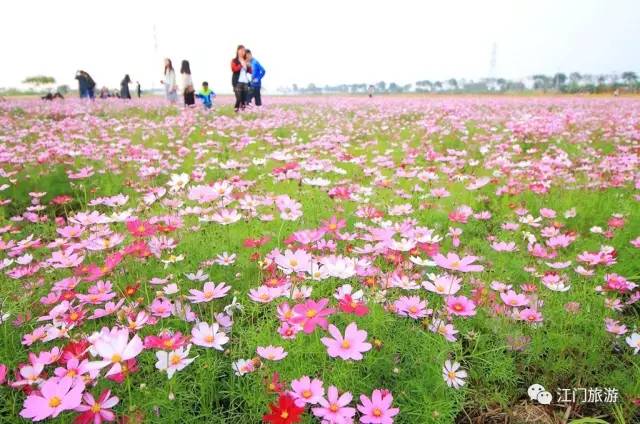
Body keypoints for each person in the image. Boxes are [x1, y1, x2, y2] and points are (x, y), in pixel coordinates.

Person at [231, 45, 251, 112]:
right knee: (238, 99)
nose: (243, 52)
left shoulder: (246, 61)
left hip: (245, 82)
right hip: (237, 82)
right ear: (237, 51)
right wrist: (241, 65)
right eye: (241, 50)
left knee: (244, 100)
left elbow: (250, 72)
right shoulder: (234, 60)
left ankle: (243, 113)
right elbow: (234, 69)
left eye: (244, 50)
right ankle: (235, 112)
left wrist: (249, 66)